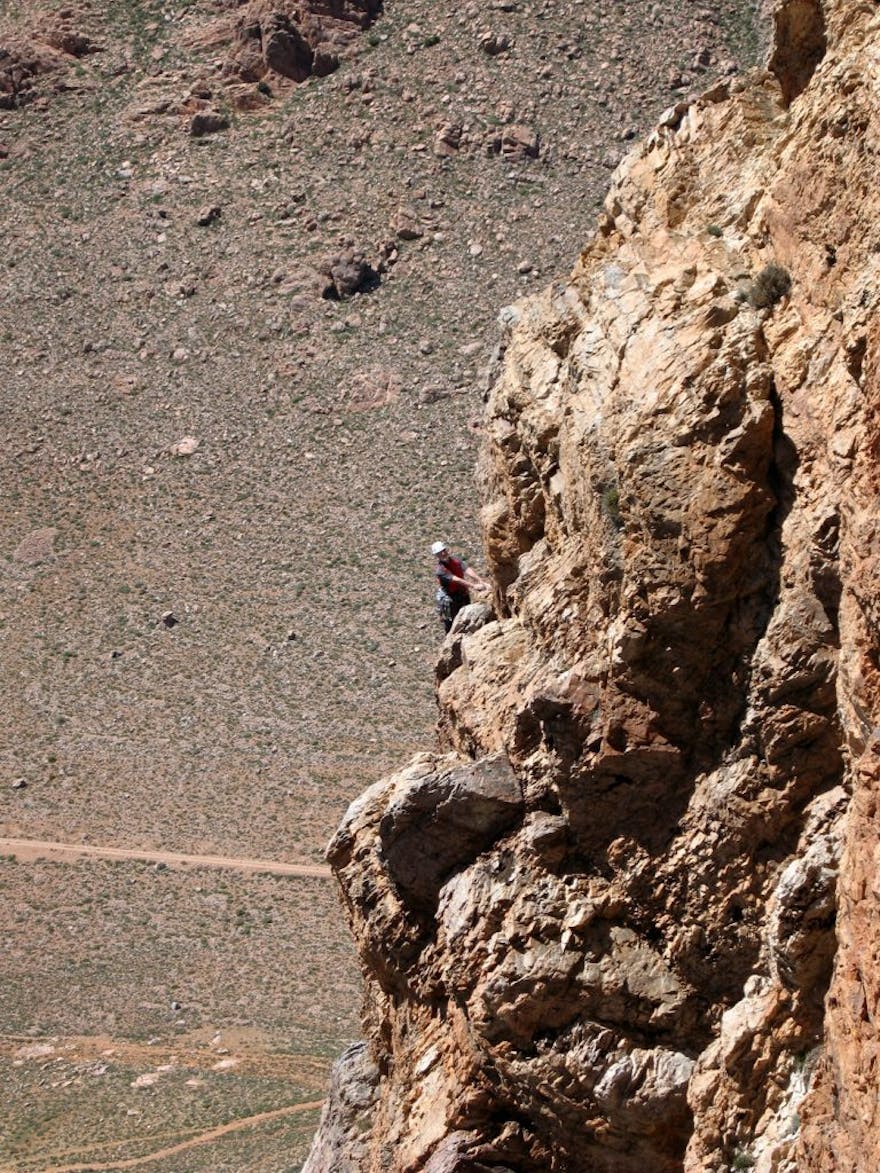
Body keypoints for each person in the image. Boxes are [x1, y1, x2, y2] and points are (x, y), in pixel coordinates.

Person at [431, 540, 490, 633]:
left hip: (462, 594)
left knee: (468, 618)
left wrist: (480, 581)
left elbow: (467, 569)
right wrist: (473, 586)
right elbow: (456, 579)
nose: (443, 553)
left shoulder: (455, 560)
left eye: (444, 550)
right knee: (452, 623)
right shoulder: (440, 570)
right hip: (451, 599)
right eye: (439, 553)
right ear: (436, 555)